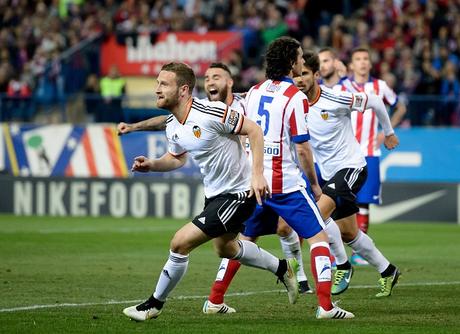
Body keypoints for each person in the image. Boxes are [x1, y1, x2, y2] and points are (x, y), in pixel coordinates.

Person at [118, 62, 314, 298]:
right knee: (226, 248)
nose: (157, 89)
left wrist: (257, 174)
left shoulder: (211, 111)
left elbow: (254, 130)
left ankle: (153, 304)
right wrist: (153, 165)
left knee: (180, 243)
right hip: (214, 194)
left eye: (164, 84)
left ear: (183, 90)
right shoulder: (173, 125)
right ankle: (283, 269)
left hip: (239, 194)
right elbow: (176, 158)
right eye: (157, 83)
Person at [203, 37, 354, 320]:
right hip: (284, 183)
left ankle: (214, 299)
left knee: (242, 239)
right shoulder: (295, 97)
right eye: (298, 56)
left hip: (255, 182)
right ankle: (325, 307)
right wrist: (314, 183)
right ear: (290, 61)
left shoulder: (255, 92)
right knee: (318, 237)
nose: (301, 60)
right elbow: (302, 147)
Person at [294, 51, 401, 298]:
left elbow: (374, 101)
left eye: (305, 74)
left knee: (314, 215)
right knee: (350, 233)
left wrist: (388, 132)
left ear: (317, 76)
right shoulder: (295, 106)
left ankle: (342, 265)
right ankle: (388, 270)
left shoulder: (334, 98)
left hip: (352, 167)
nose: (299, 80)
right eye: (296, 75)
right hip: (330, 175)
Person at [346, 47, 407, 266]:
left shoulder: (379, 86)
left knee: (364, 203)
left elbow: (400, 106)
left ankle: (359, 253)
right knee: (339, 202)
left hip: (370, 153)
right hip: (345, 153)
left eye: (365, 59)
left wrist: (386, 130)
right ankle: (337, 252)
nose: (362, 62)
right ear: (351, 65)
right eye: (358, 59)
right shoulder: (343, 86)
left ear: (370, 64)